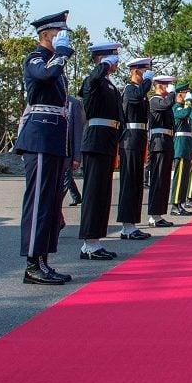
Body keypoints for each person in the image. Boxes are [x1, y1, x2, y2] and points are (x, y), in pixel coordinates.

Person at [15, 11, 76, 286]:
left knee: (51, 204)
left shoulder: (54, 62)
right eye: (57, 33)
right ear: (44, 35)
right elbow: (43, 76)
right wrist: (61, 56)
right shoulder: (37, 57)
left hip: (53, 138)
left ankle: (43, 261)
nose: (63, 37)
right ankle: (32, 263)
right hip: (39, 136)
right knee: (39, 201)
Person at [78, 42, 123, 260]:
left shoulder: (110, 85)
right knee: (94, 193)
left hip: (108, 140)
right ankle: (88, 242)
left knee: (103, 194)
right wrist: (102, 66)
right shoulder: (93, 80)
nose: (116, 62)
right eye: (112, 57)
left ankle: (95, 240)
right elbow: (90, 84)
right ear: (102, 58)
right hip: (95, 139)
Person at [116, 57, 154, 239]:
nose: (147, 74)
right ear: (136, 71)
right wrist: (147, 82)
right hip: (129, 140)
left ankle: (132, 224)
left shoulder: (140, 91)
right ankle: (126, 225)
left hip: (138, 138)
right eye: (144, 70)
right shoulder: (130, 89)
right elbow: (137, 96)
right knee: (129, 182)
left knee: (136, 182)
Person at [147, 75, 178, 227]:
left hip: (166, 143)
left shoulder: (164, 101)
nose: (169, 87)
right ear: (159, 85)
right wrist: (172, 94)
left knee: (164, 180)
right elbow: (166, 105)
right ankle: (154, 215)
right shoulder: (154, 100)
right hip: (158, 143)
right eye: (166, 85)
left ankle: (158, 214)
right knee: (158, 180)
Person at [169, 83, 192, 217]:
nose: (187, 96)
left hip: (186, 146)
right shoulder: (176, 108)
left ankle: (181, 204)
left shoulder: (181, 108)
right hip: (180, 146)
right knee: (179, 178)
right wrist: (189, 102)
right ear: (180, 94)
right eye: (185, 93)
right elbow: (184, 114)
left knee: (184, 178)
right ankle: (175, 205)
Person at [62, 96, 83, 207]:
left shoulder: (73, 103)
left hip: (68, 150)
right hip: (53, 151)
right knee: (67, 176)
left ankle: (56, 202)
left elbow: (78, 131)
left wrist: (77, 157)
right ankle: (76, 196)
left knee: (66, 176)